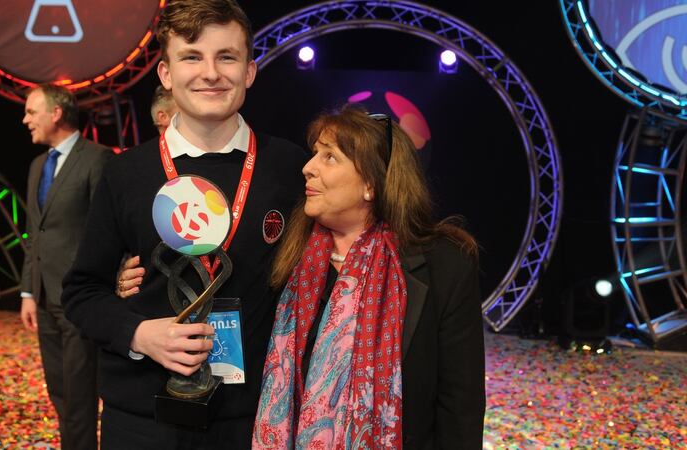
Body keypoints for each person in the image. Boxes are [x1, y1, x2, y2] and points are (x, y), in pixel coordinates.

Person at [118, 107, 486, 448]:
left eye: (330, 157)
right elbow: (207, 272)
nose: (308, 167)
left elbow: (460, 404)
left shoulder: (443, 265)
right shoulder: (288, 256)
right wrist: (130, 278)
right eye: (314, 154)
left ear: (371, 184)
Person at [59, 0, 307, 448]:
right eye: (191, 57)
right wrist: (139, 333)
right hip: (142, 416)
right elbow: (82, 292)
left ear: (250, 71)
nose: (210, 73)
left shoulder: (289, 168)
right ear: (166, 74)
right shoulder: (125, 172)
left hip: (256, 419)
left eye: (226, 57)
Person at [19, 84, 110, 450]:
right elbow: (34, 232)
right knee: (59, 391)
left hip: (78, 299)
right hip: (43, 297)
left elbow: (104, 234)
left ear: (56, 113)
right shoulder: (38, 165)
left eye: (30, 111)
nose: (25, 120)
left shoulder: (97, 158)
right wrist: (28, 291)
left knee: (79, 396)